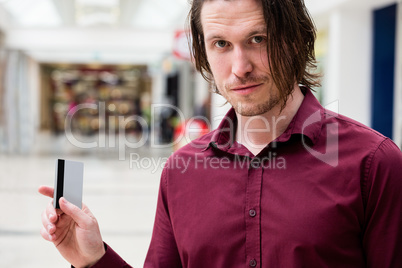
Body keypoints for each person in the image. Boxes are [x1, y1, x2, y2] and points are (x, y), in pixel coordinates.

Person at [39, 0, 402, 267]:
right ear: (204, 55)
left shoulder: (373, 165)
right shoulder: (181, 172)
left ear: (296, 40)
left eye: (258, 39)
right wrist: (94, 260)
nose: (240, 68)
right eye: (221, 44)